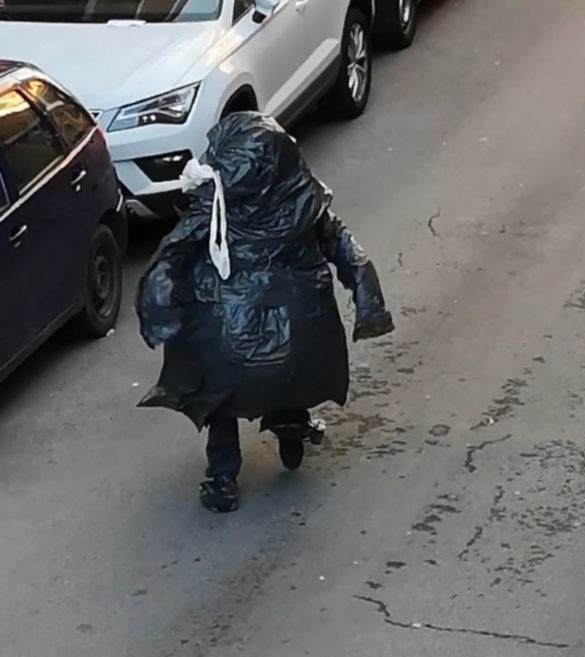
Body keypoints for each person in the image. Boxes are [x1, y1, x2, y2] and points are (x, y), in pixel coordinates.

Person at [136, 112, 394, 513]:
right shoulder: (306, 202)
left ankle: (222, 475)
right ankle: (290, 421)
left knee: (219, 395)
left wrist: (162, 310)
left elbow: (172, 255)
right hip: (299, 324)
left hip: (229, 331)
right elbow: (348, 252)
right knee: (290, 369)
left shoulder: (214, 208)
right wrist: (368, 303)